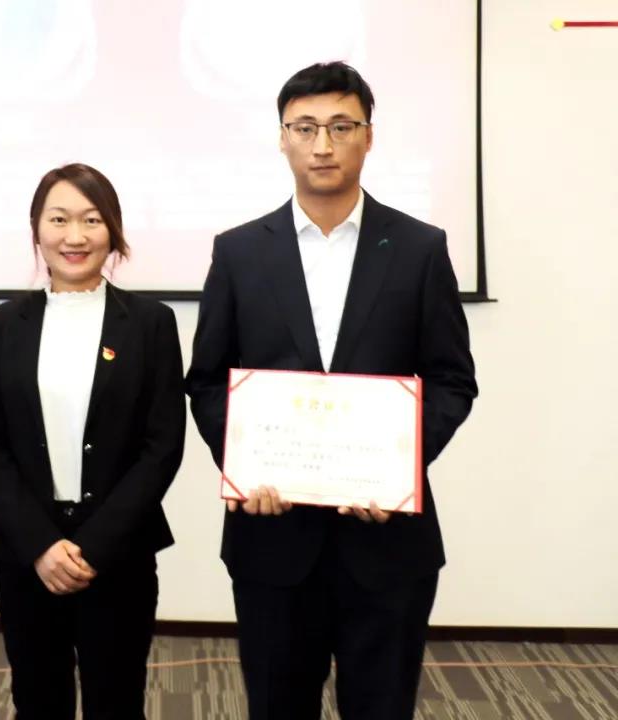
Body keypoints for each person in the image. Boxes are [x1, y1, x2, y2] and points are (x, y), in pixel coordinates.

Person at [185, 62, 478, 720]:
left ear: (369, 137)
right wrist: (243, 467)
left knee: (381, 707)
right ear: (282, 137)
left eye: (341, 127)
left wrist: (399, 469)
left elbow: (452, 379)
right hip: (271, 537)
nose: (323, 144)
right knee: (277, 706)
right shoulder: (239, 252)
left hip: (387, 542)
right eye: (306, 127)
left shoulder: (419, 249)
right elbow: (206, 380)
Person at [0, 163, 186, 718]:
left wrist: (94, 545)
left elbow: (163, 446)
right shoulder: (3, 325)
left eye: (92, 220)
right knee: (38, 699)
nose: (75, 236)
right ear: (37, 230)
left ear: (113, 230)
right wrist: (41, 543)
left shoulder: (151, 323)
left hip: (119, 555)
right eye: (59, 219)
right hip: (27, 555)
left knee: (118, 700)